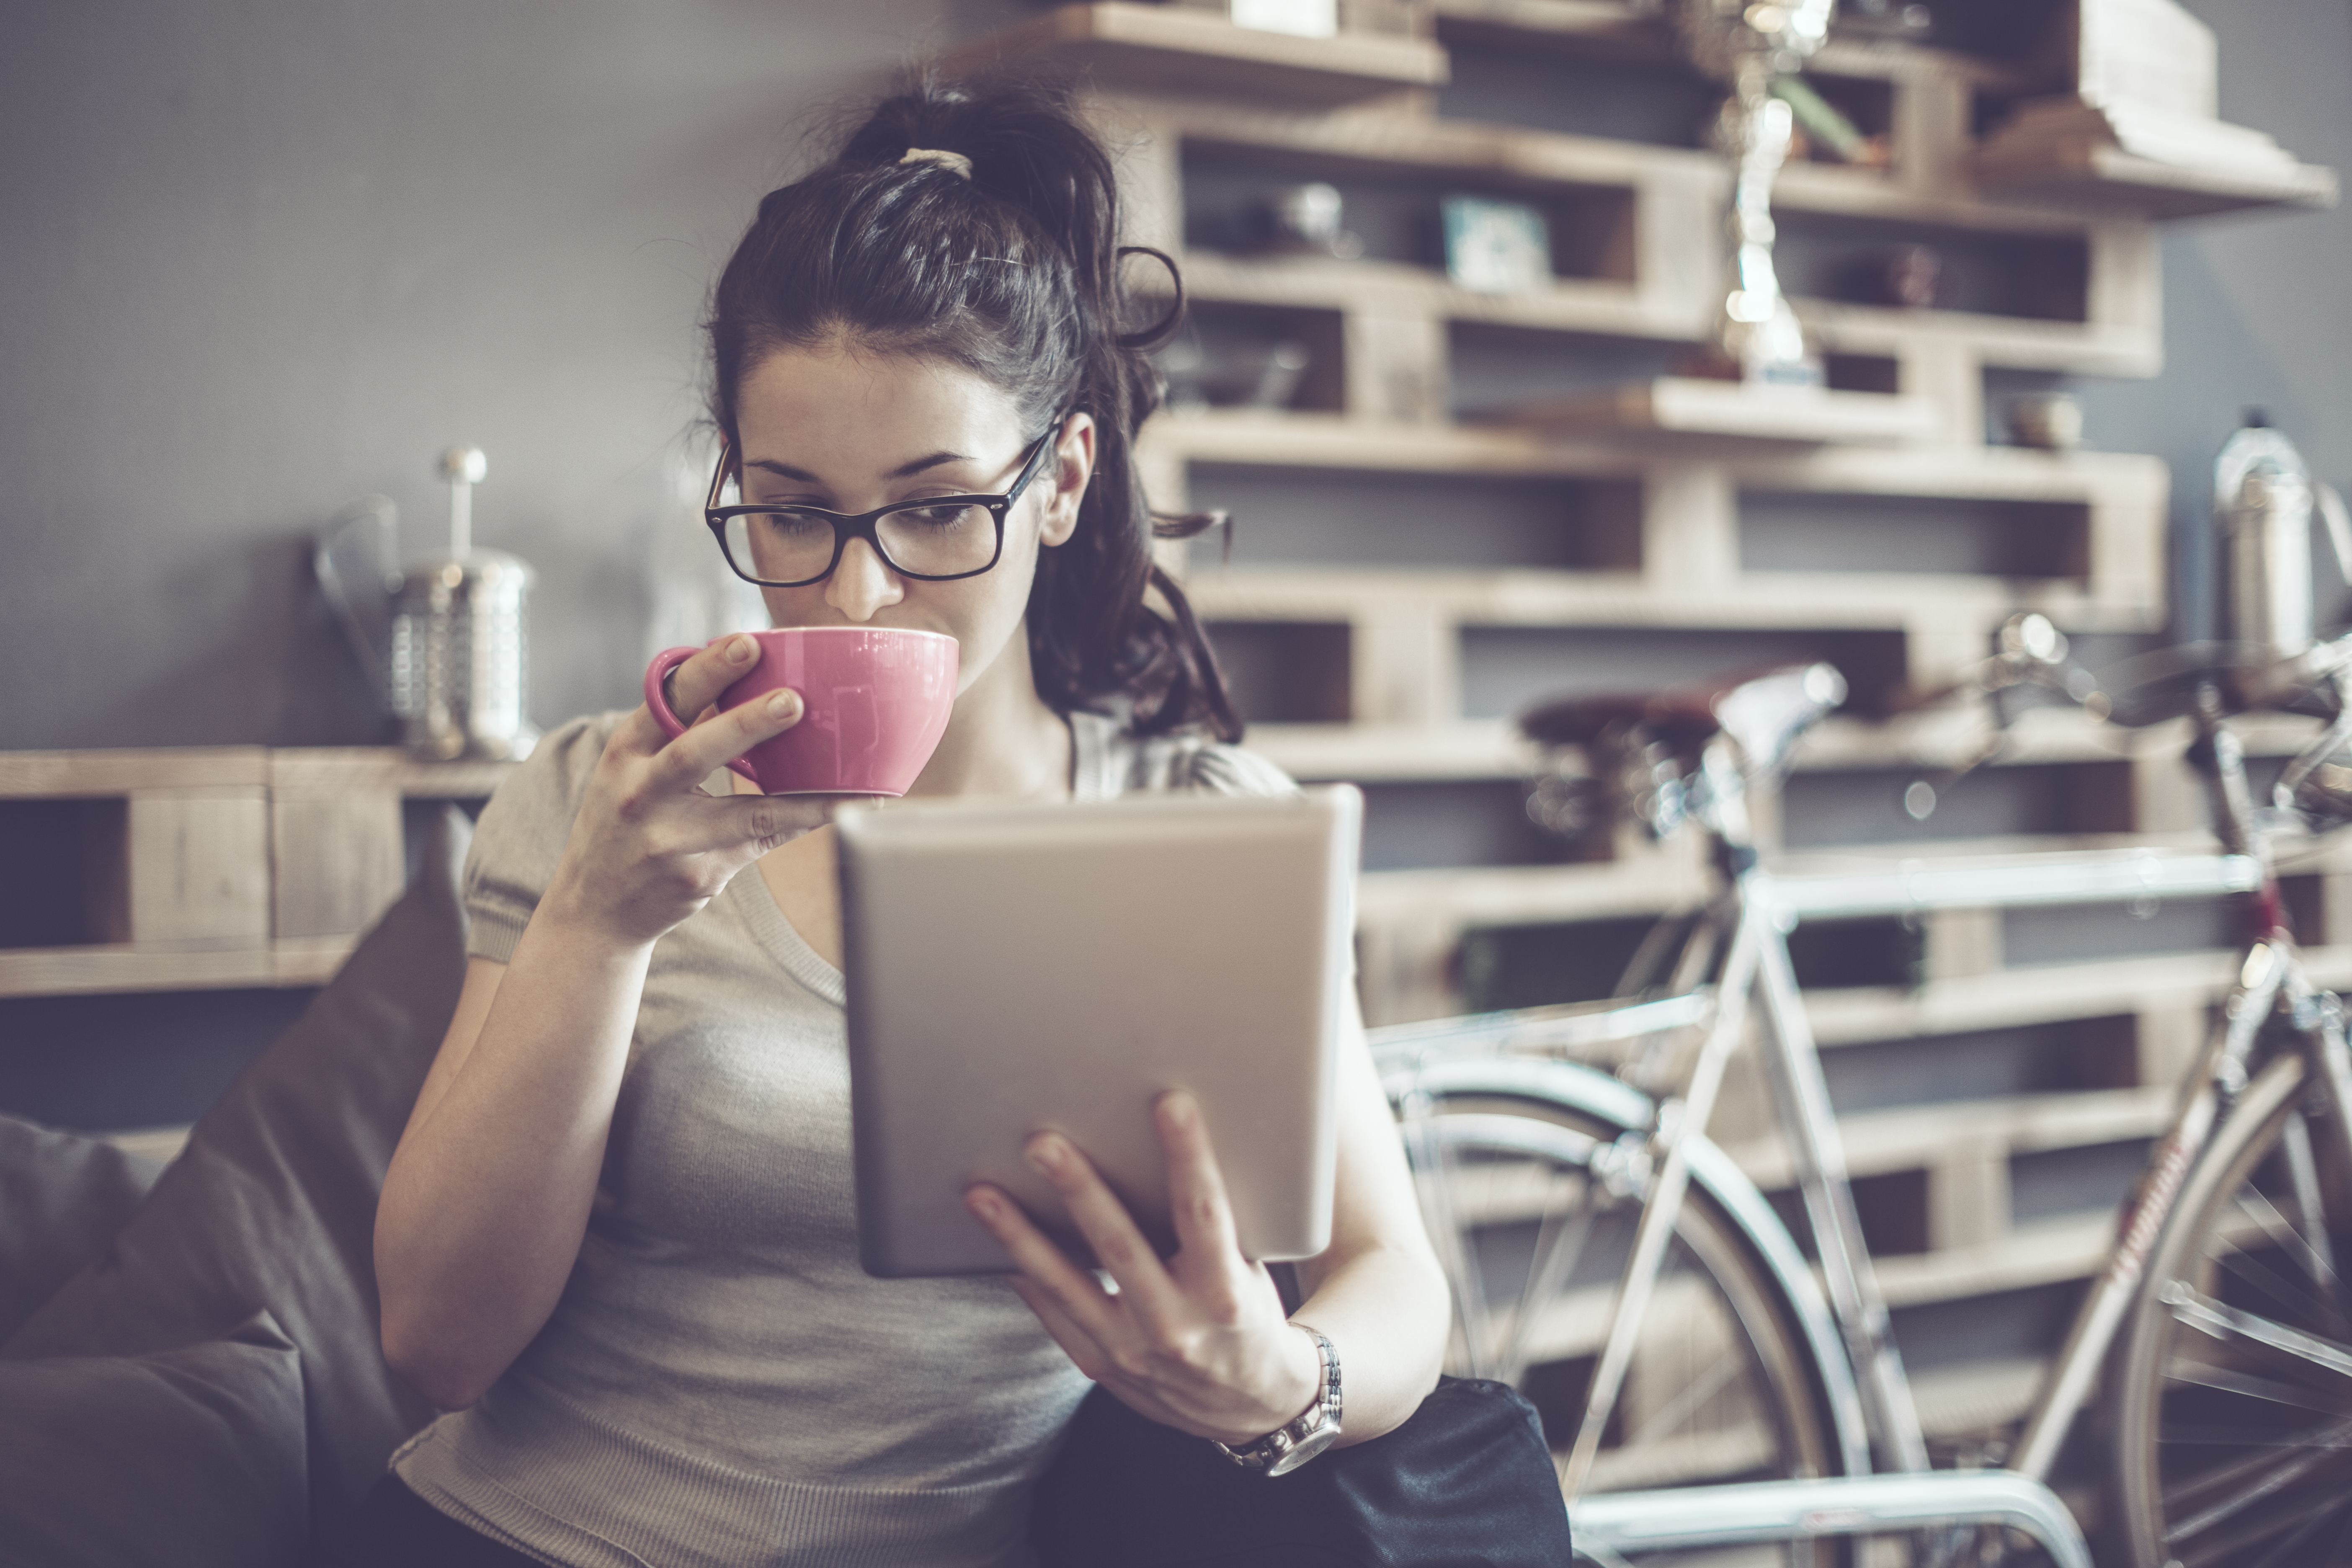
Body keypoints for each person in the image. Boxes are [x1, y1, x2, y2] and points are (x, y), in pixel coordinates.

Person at [344, 77, 1451, 1568]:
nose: (856, 593)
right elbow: (435, 1344)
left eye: (938, 509)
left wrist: (1282, 1384)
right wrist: (599, 925)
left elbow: (1391, 1277)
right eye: (792, 512)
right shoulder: (601, 801)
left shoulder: (1186, 829)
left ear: (1057, 481)